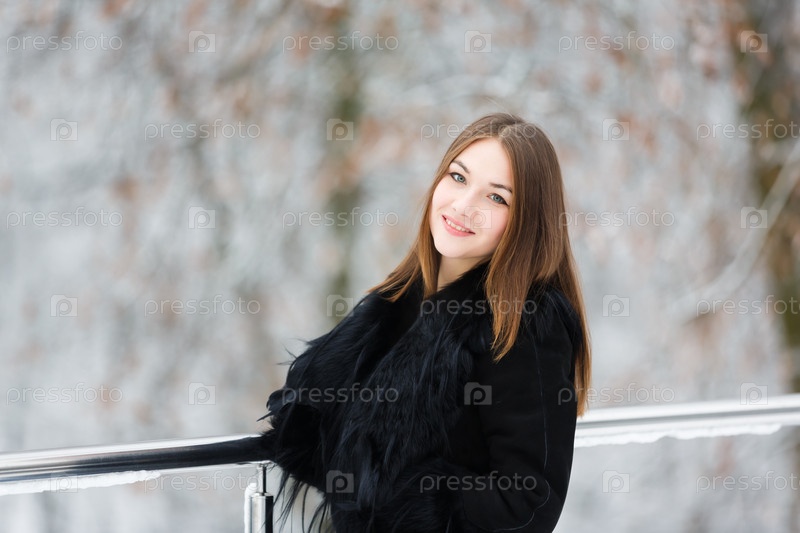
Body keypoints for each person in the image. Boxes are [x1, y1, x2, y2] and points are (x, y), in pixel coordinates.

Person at [256, 113, 591, 532]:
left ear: (526, 221)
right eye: (458, 177)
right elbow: (326, 446)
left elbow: (529, 501)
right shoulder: (399, 301)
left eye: (496, 198)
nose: (464, 206)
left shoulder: (525, 321)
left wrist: (415, 502)